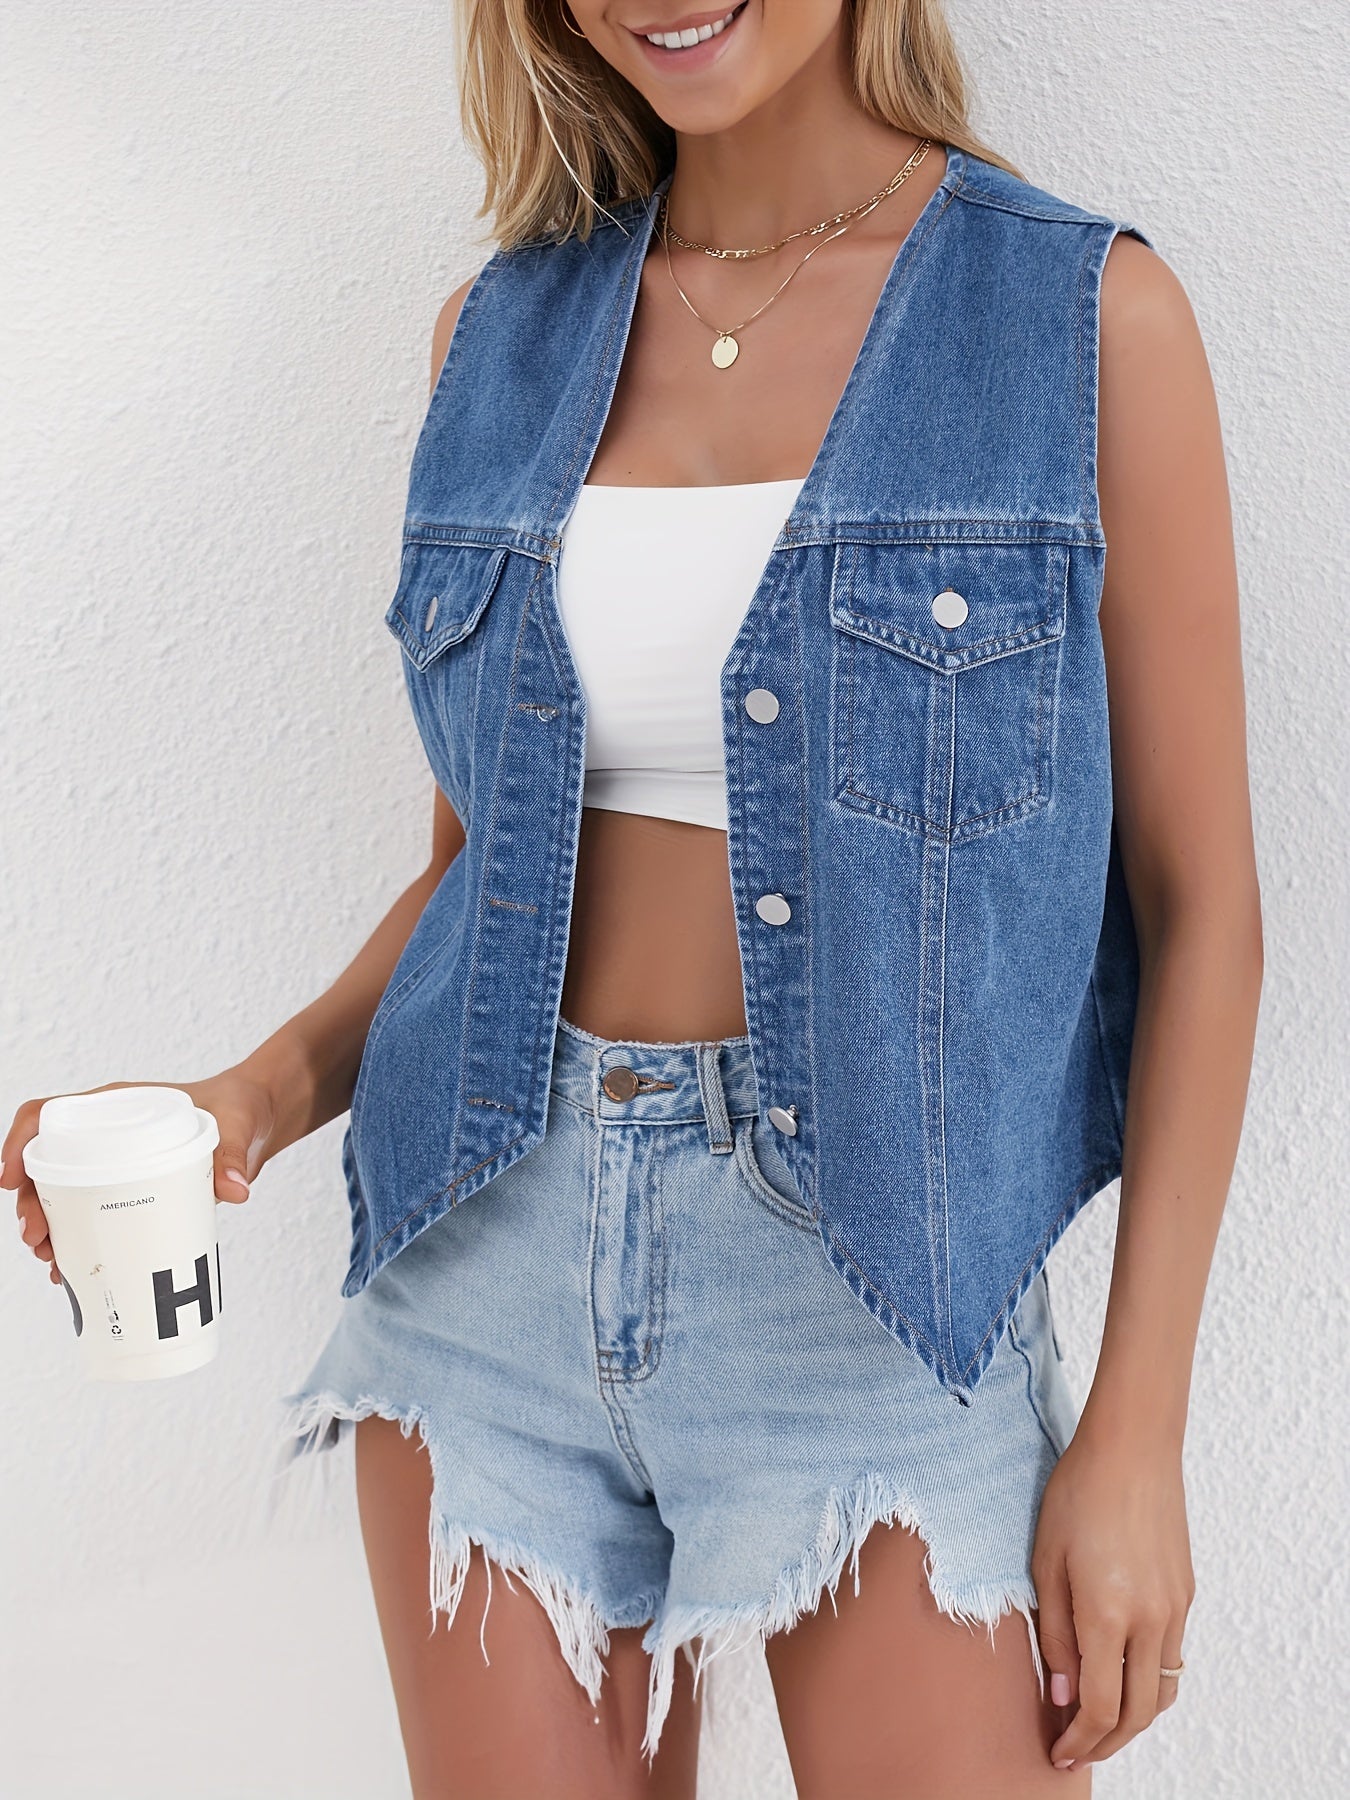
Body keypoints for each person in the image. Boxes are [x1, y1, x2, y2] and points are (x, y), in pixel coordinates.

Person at [5, 2, 1263, 1794]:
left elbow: (1202, 908)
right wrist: (249, 1101)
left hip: (880, 1295)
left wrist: (1137, 1429)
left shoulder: (1078, 320)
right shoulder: (493, 337)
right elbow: (479, 877)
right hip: (481, 1262)